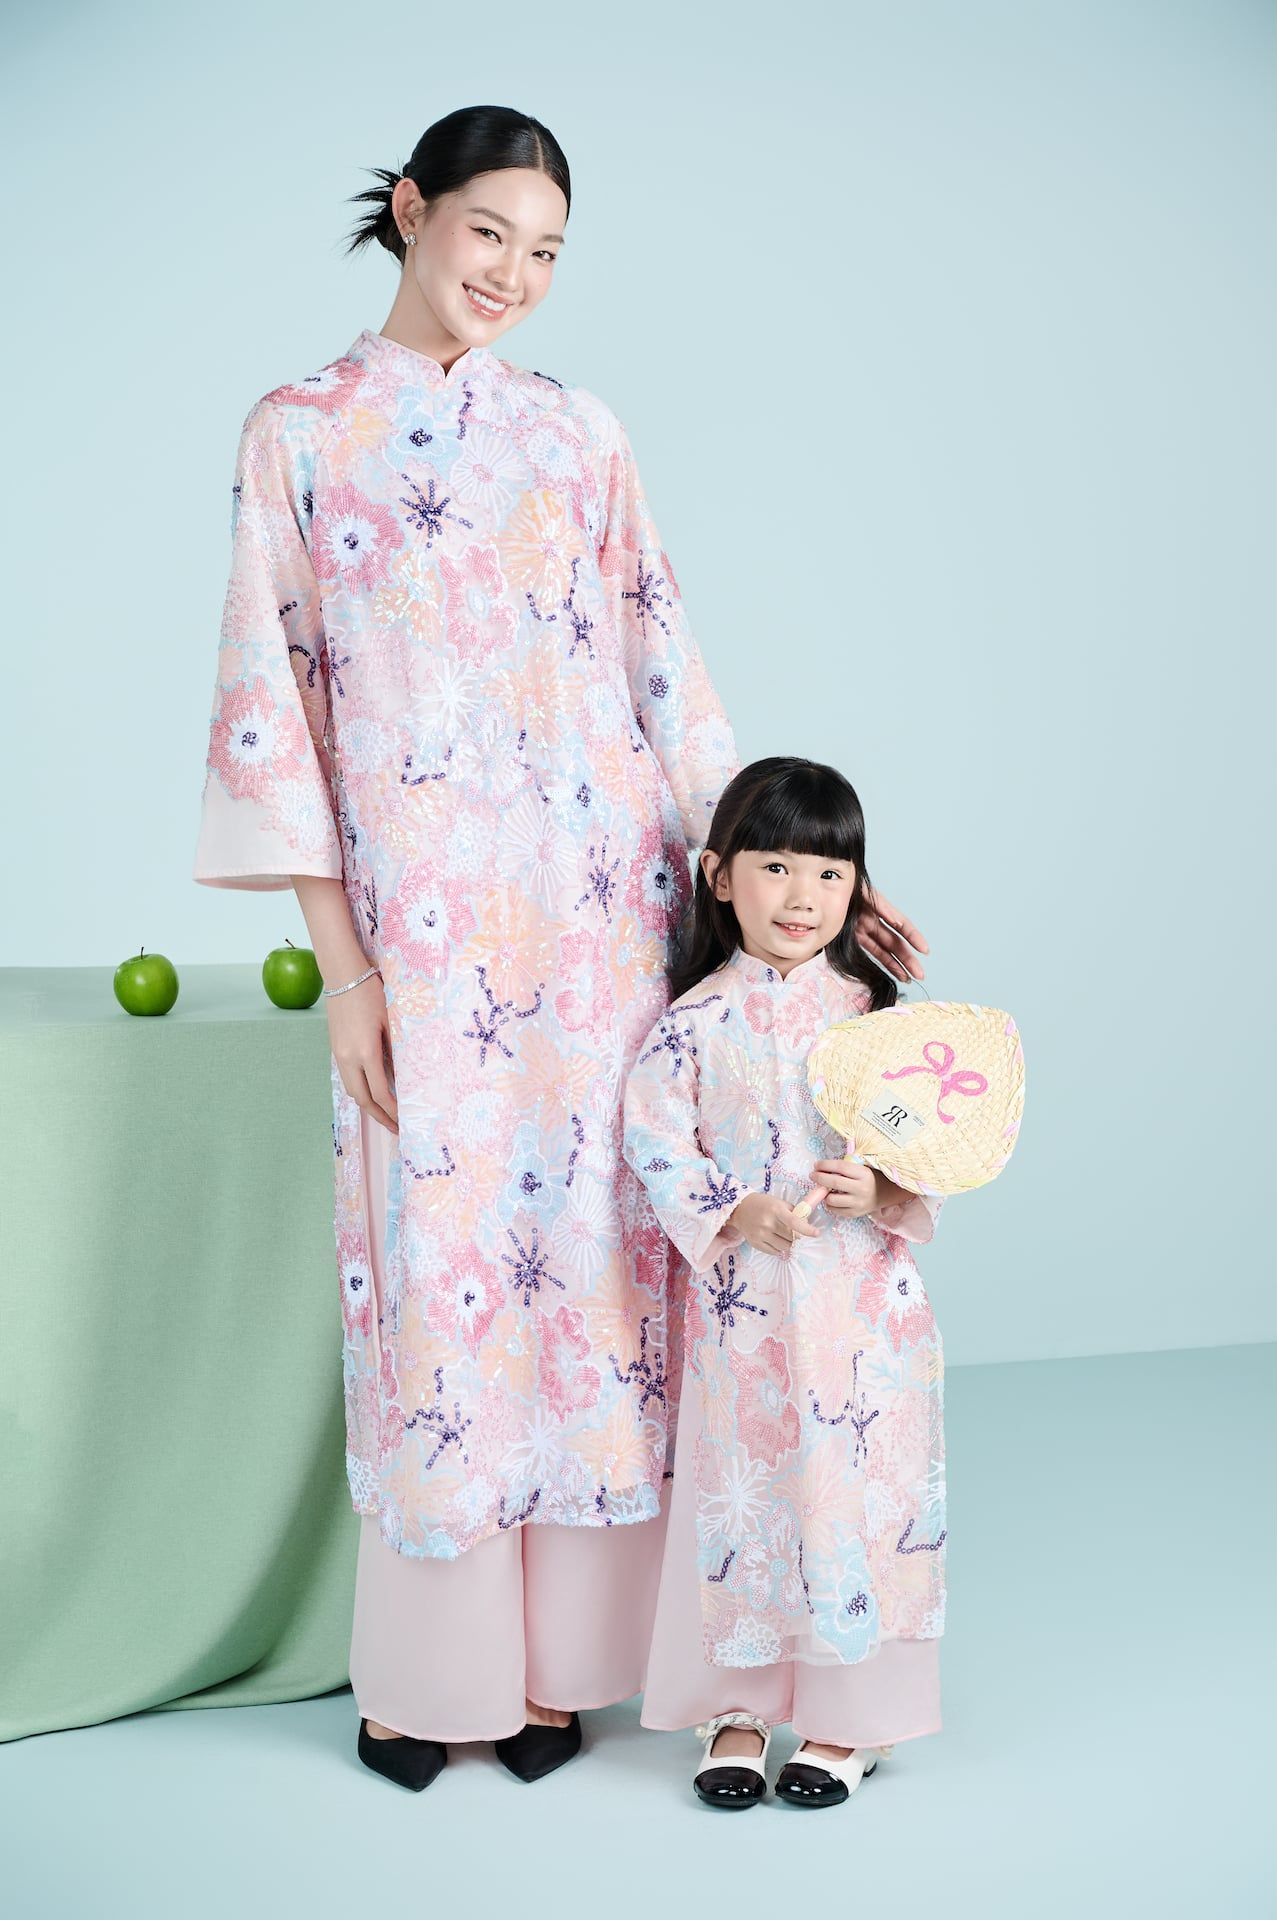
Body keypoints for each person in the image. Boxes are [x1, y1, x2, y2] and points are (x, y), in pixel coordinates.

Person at [194, 103, 928, 1794]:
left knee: (594, 1277)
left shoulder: (577, 433)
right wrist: (351, 975)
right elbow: (274, 710)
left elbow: (664, 667)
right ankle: (426, 1680)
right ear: (411, 210)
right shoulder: (299, 432)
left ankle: (555, 1677)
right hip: (425, 937)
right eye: (488, 235)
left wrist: (813, 880)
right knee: (439, 1278)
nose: (513, 275)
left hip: (603, 926)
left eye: (546, 254)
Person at [625, 757, 947, 1809]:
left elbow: (926, 1148)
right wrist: (730, 1209)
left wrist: (880, 1187)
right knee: (748, 1497)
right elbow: (654, 1142)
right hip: (746, 1321)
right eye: (774, 867)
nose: (801, 896)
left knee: (855, 1496)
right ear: (720, 877)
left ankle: (849, 1718)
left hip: (862, 1318)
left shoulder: (875, 1024)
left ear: (856, 888)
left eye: (827, 873)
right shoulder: (687, 1026)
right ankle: (738, 1706)